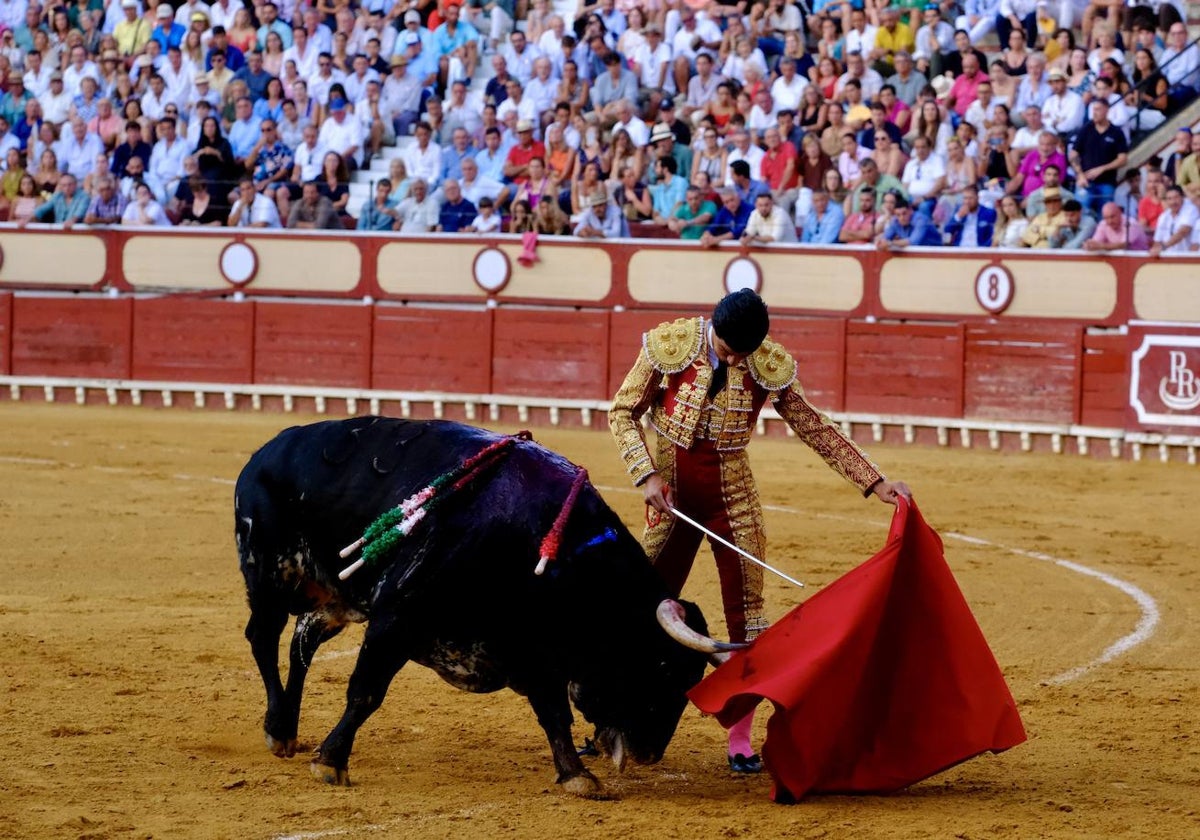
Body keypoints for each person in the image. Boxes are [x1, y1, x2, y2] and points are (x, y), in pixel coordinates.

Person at [608, 288, 911, 773]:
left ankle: (741, 738)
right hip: (672, 493)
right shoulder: (670, 344)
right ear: (713, 326)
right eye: (728, 349)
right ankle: (608, 716)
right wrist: (645, 473)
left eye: (743, 354)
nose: (734, 360)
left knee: (748, 618)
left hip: (733, 494)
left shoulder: (767, 363)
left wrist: (872, 480)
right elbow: (623, 411)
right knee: (639, 606)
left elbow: (814, 426)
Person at [1149, 185, 1196, 256]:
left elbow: (1182, 232)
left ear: (1182, 197)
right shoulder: (1164, 216)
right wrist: (1156, 250)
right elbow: (1157, 241)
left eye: (1176, 197)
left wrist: (1163, 247)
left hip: (1186, 258)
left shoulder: (1191, 209)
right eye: (1169, 199)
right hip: (1167, 258)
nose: (1173, 202)